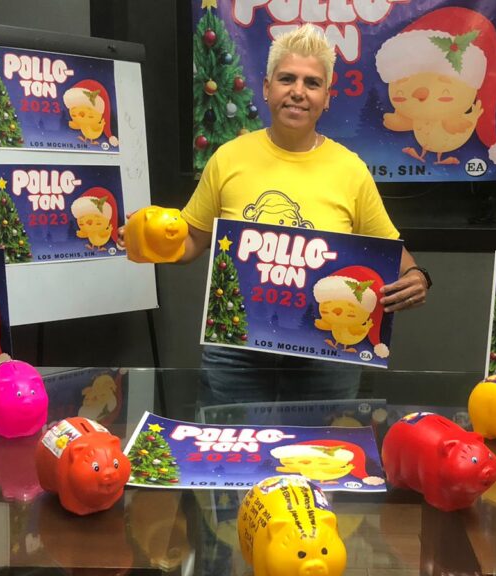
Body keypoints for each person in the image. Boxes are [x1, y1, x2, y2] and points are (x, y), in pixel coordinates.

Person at [120, 24, 430, 403]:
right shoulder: (228, 158)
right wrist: (148, 240)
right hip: (236, 348)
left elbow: (392, 253)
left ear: (327, 97)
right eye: (287, 79)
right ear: (267, 88)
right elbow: (191, 241)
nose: (298, 91)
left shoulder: (351, 169)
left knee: (323, 441)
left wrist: (417, 277)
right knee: (232, 441)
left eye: (312, 83)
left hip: (327, 350)